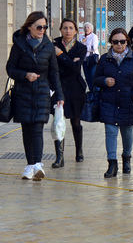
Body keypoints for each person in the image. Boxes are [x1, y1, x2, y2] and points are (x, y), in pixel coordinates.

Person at [6, 11, 64, 181]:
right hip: (22, 92)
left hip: (41, 92)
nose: (42, 30)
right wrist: (25, 75)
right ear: (29, 26)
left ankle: (38, 164)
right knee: (27, 129)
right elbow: (10, 68)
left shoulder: (48, 46)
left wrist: (59, 94)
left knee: (37, 128)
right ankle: (30, 165)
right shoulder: (19, 44)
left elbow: (54, 72)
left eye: (45, 27)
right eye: (39, 27)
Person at [94, 28, 133, 178]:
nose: (119, 44)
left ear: (127, 42)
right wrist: (104, 81)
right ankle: (112, 164)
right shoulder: (104, 58)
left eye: (122, 41)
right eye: (115, 41)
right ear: (111, 42)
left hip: (128, 101)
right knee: (110, 132)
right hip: (109, 101)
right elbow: (95, 79)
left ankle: (127, 158)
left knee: (127, 132)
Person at [52, 19, 87, 167]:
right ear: (60, 30)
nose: (67, 31)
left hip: (75, 88)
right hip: (58, 87)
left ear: (75, 31)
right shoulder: (53, 45)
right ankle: (59, 157)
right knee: (58, 122)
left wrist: (60, 55)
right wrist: (70, 61)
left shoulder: (80, 47)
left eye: (71, 28)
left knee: (76, 122)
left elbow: (75, 68)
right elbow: (53, 67)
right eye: (65, 28)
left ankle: (79, 150)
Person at [80, 22, 100, 88]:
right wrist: (83, 43)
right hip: (84, 59)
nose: (86, 28)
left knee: (92, 76)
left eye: (88, 27)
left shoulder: (94, 36)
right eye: (85, 27)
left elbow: (94, 48)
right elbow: (79, 47)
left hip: (92, 59)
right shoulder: (81, 37)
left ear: (91, 29)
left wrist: (84, 45)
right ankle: (91, 91)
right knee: (87, 77)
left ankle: (95, 92)